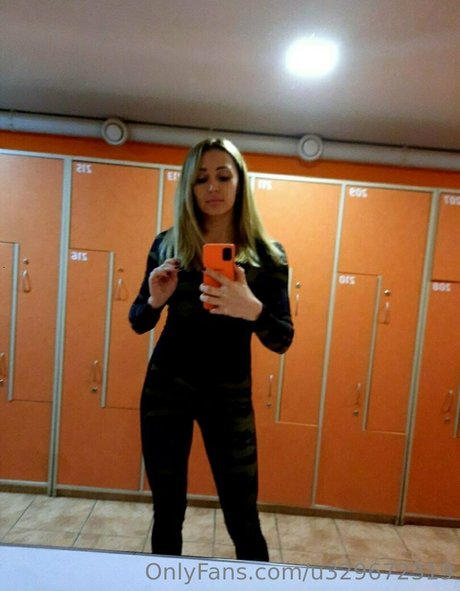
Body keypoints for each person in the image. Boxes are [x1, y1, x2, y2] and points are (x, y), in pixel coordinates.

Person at [129, 138, 293, 561]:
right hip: (167, 390)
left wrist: (252, 309)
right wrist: (155, 300)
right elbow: (138, 320)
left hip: (229, 396)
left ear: (240, 183)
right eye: (201, 179)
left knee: (243, 517)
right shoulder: (168, 245)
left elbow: (281, 339)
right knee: (167, 513)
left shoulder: (268, 257)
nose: (213, 187)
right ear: (189, 187)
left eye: (223, 176)